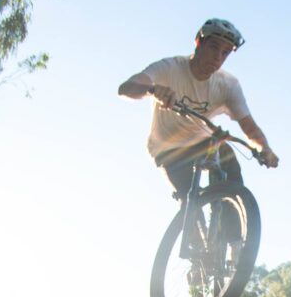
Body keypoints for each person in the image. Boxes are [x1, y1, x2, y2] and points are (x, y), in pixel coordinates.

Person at [117, 18, 279, 201]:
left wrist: (265, 148)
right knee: (188, 200)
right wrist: (152, 89)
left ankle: (229, 219)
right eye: (213, 47)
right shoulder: (169, 68)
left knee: (225, 154)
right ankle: (192, 221)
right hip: (168, 149)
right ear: (198, 43)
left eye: (225, 53)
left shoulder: (228, 85)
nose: (218, 57)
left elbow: (250, 127)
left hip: (204, 143)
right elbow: (125, 88)